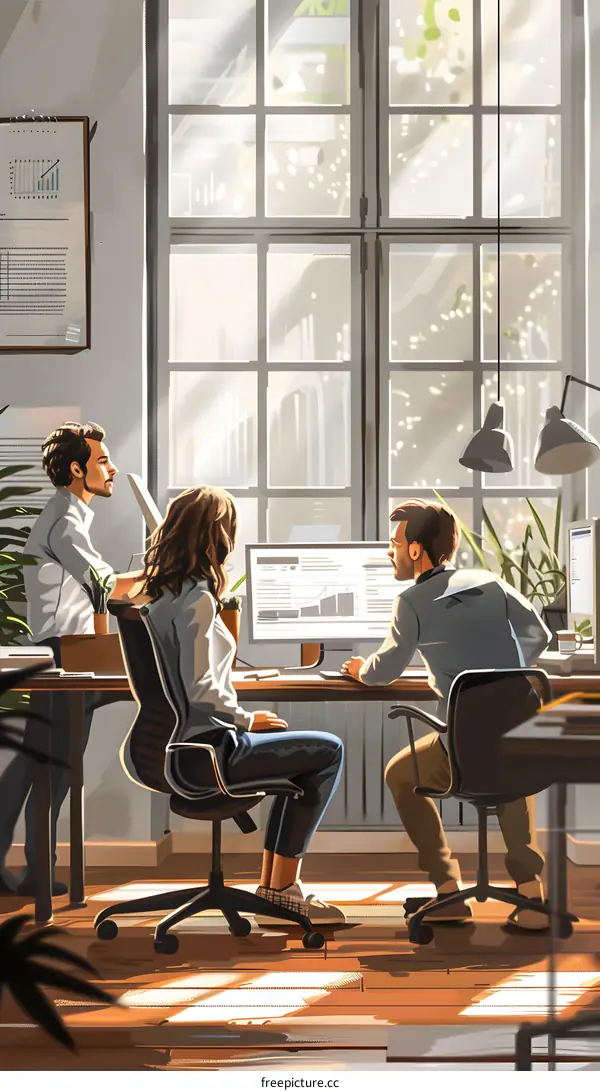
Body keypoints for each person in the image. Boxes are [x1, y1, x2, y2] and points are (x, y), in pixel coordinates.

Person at [342, 499, 552, 931]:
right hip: (521, 738)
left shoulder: (412, 601)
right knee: (508, 762)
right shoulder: (491, 581)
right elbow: (540, 634)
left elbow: (384, 672)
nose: (390, 552)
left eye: (394, 543)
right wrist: (511, 668)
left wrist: (361, 669)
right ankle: (531, 893)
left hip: (463, 748)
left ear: (416, 550)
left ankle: (448, 890)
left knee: (400, 773)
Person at [141, 485, 345, 927]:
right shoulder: (197, 599)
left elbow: (187, 682)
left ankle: (276, 889)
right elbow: (199, 689)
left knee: (296, 753)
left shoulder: (162, 599)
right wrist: (247, 717)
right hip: (211, 753)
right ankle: (282, 890)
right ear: (217, 535)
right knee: (328, 750)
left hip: (184, 749)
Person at [0, 422, 141, 896]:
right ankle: (39, 868)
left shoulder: (71, 515)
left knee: (38, 762)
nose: (112, 468)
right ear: (77, 469)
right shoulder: (65, 518)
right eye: (103, 461)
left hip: (65, 648)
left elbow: (97, 583)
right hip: (66, 653)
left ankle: (32, 864)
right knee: (56, 764)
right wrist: (158, 573)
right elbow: (101, 583)